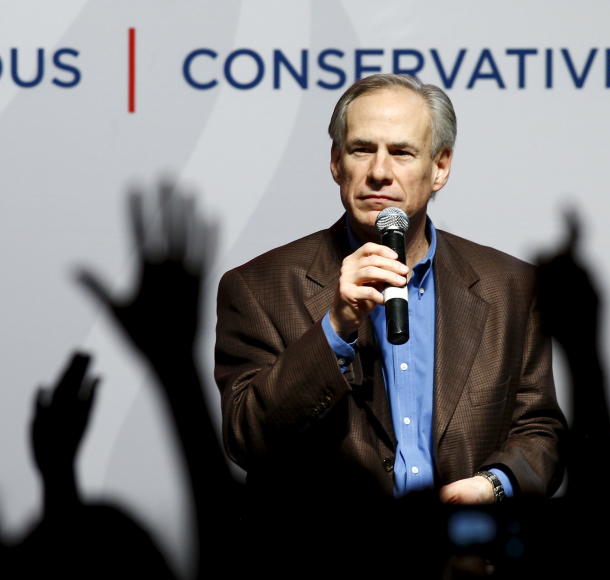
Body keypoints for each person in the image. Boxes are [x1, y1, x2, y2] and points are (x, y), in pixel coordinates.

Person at [214, 74, 566, 510]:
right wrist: (336, 326)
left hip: (464, 557)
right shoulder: (255, 288)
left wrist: (493, 485)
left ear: (440, 167)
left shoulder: (511, 287)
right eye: (362, 150)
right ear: (336, 162)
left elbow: (540, 431)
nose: (379, 172)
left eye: (401, 152)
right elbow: (245, 438)